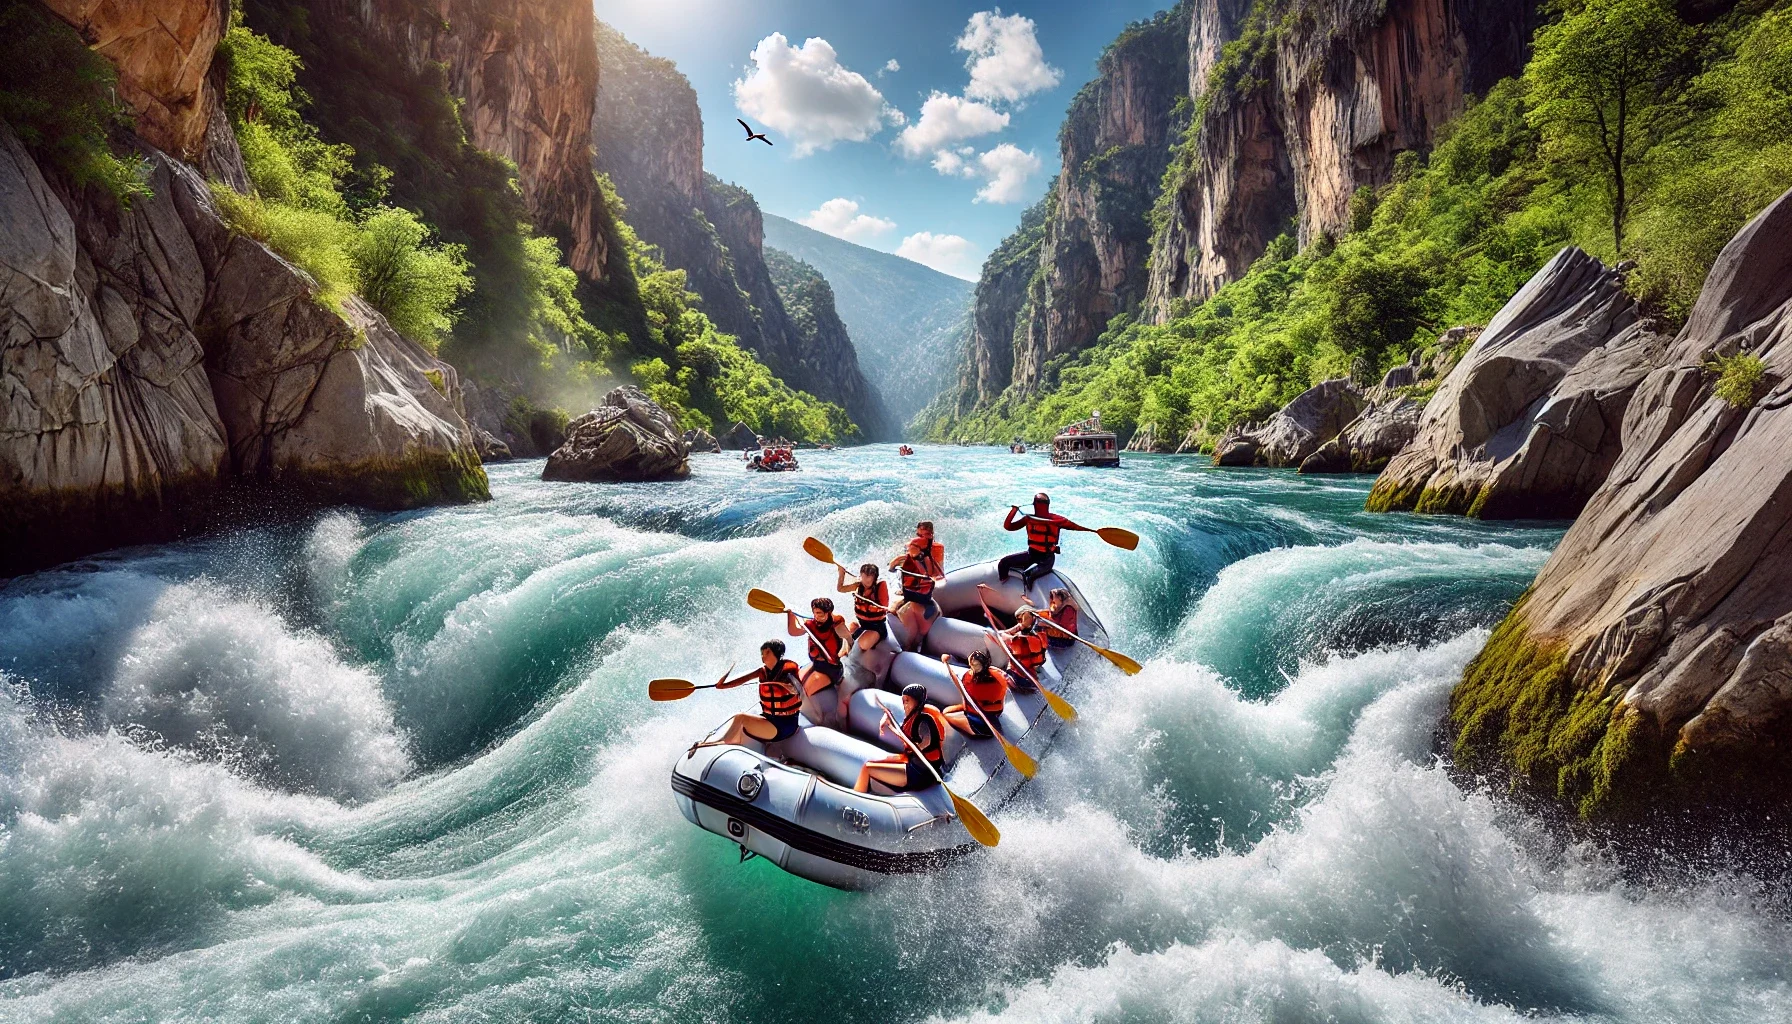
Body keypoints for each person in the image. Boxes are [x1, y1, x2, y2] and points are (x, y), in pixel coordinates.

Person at [692, 640, 804, 750]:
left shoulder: (788, 669)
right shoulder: (762, 671)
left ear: (777, 652)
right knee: (738, 723)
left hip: (785, 725)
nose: (763, 655)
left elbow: (799, 690)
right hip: (770, 720)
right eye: (762, 653)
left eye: (767, 652)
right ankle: (730, 743)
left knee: (740, 717)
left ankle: (724, 741)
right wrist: (722, 685)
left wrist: (786, 686)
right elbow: (742, 680)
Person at [854, 684, 948, 793]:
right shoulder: (914, 718)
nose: (904, 704)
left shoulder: (924, 720)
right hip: (916, 764)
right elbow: (907, 738)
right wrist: (890, 723)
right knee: (882, 760)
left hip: (920, 773)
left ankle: (854, 802)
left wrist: (916, 746)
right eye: (903, 701)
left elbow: (927, 741)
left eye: (907, 700)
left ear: (917, 701)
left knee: (867, 768)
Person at [999, 492, 1093, 589]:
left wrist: (1093, 531)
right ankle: (1003, 587)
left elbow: (1075, 527)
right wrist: (1014, 510)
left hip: (1046, 560)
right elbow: (1008, 526)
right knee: (1003, 563)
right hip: (1031, 555)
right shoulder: (1029, 519)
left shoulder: (1057, 520)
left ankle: (1029, 599)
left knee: (1028, 575)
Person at [787, 597, 851, 725]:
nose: (817, 617)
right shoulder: (811, 625)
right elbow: (793, 632)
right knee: (792, 683)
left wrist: (844, 650)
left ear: (828, 613)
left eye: (820, 614)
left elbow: (848, 641)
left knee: (805, 692)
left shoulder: (837, 624)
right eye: (815, 613)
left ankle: (816, 719)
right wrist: (790, 615)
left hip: (832, 669)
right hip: (816, 664)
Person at [890, 522, 946, 652]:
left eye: (926, 535)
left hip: (923, 596)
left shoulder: (936, 550)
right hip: (909, 592)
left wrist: (919, 557)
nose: (922, 538)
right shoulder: (911, 546)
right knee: (892, 610)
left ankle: (915, 647)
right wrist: (904, 557)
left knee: (915, 616)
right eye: (919, 535)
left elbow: (936, 575)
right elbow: (892, 567)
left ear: (932, 535)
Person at [942, 649, 1009, 738]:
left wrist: (947, 664)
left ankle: (975, 731)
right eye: (972, 664)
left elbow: (964, 692)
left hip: (981, 714)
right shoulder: (996, 674)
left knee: (946, 714)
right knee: (947, 711)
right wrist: (947, 666)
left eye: (975, 665)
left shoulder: (973, 681)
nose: (972, 667)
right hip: (991, 710)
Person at [989, 606, 1049, 693]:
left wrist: (1004, 633)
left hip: (1023, 679)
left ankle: (1020, 688)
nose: (1019, 622)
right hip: (1036, 665)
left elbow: (1005, 637)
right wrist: (1019, 626)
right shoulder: (1039, 630)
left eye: (1021, 619)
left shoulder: (1021, 640)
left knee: (1002, 673)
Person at [837, 562, 891, 653]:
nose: (866, 580)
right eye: (864, 576)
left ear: (875, 577)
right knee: (851, 632)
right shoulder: (858, 585)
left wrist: (867, 601)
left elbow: (884, 605)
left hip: (877, 628)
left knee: (859, 645)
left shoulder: (880, 586)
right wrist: (841, 573)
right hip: (864, 625)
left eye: (869, 577)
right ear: (861, 575)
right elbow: (840, 589)